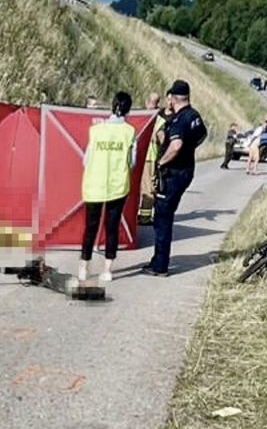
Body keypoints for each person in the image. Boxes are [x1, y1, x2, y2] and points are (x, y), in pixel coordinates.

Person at [143, 80, 205, 277]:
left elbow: (176, 145)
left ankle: (160, 265)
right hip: (186, 170)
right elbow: (201, 136)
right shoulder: (194, 116)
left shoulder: (180, 119)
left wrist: (161, 162)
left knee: (162, 218)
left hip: (174, 173)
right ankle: (157, 259)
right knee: (164, 216)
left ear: (172, 97)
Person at [78, 92, 136, 283]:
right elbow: (132, 162)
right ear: (128, 109)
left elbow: (86, 159)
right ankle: (108, 270)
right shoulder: (130, 132)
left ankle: (84, 268)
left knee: (90, 227)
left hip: (94, 183)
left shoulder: (95, 130)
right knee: (111, 227)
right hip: (117, 185)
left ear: (112, 106)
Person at [138, 92, 163, 225]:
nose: (156, 105)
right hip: (149, 159)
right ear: (147, 102)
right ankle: (145, 217)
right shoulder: (158, 120)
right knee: (149, 189)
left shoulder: (137, 117)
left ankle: (140, 215)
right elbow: (163, 140)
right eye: (155, 102)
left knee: (141, 188)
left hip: (139, 157)